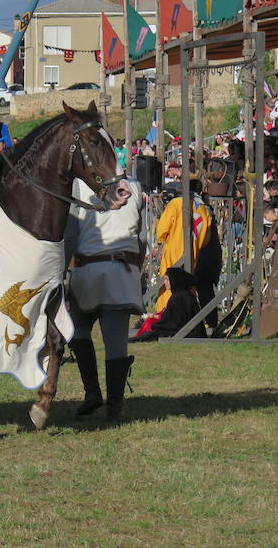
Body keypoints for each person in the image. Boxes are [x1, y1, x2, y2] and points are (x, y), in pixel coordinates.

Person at [65, 177, 143, 421]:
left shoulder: (78, 186)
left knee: (77, 331)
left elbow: (70, 234)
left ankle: (93, 393)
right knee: (115, 341)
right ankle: (114, 406)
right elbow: (141, 237)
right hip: (122, 271)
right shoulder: (135, 187)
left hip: (87, 271)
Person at [153, 178, 212, 313]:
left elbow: (162, 230)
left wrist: (161, 240)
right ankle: (186, 314)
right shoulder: (205, 210)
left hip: (173, 251)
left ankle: (166, 314)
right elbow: (206, 239)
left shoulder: (176, 204)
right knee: (187, 285)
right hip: (192, 253)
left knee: (169, 284)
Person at [131, 267, 205, 341]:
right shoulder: (182, 294)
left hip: (187, 332)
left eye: (167, 279)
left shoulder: (179, 297)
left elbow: (172, 323)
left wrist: (154, 320)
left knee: (149, 324)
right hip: (188, 330)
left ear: (175, 280)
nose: (164, 282)